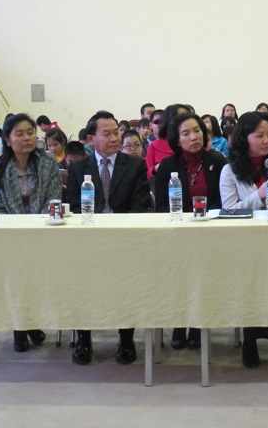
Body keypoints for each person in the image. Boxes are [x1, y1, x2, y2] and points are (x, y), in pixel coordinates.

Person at [67, 111, 150, 366]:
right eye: (107, 134)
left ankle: (126, 339)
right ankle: (83, 338)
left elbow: (140, 206)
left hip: (124, 239)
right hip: (89, 240)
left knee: (126, 287)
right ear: (91, 139)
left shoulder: (135, 165)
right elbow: (74, 208)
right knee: (82, 285)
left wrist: (117, 232)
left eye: (116, 132)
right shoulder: (78, 168)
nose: (115, 138)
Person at [218, 112, 268, 368]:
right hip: (247, 242)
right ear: (244, 138)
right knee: (252, 289)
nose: (266, 140)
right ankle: (250, 340)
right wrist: (260, 196)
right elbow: (229, 209)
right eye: (259, 135)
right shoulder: (229, 170)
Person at [0, 114, 63, 353]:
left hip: (44, 233)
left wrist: (34, 228)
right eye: (19, 134)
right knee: (15, 272)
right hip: (10, 235)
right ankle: (21, 326)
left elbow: (54, 199)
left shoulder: (48, 163)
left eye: (30, 132)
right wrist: (17, 230)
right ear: (7, 140)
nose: (26, 138)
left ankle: (26, 324)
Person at [155, 113, 228, 350]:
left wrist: (205, 219)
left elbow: (223, 201)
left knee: (202, 280)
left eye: (197, 130)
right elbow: (162, 206)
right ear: (176, 139)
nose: (194, 137)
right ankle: (179, 323)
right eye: (186, 133)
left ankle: (198, 325)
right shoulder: (168, 166)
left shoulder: (218, 161)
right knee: (179, 279)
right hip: (178, 234)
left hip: (210, 232)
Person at [145, 104, 191, 183]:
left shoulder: (194, 141)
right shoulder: (154, 146)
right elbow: (147, 173)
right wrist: (156, 169)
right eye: (182, 118)